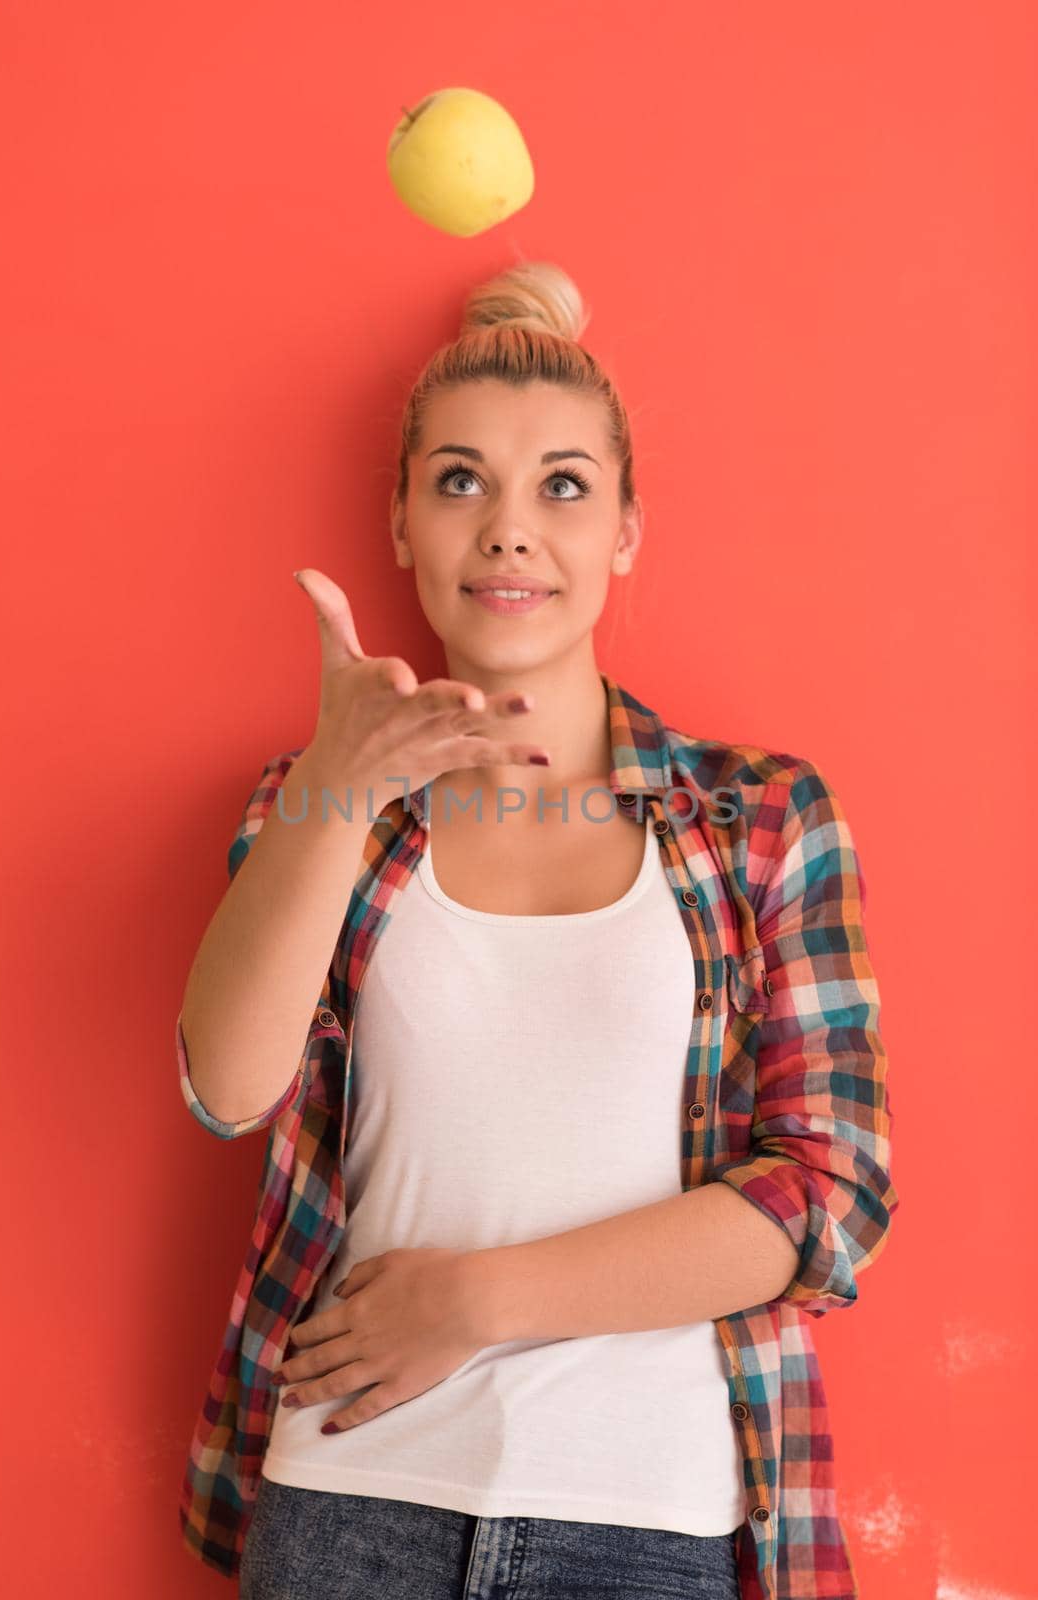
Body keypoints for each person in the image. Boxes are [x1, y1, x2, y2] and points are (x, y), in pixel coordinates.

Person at [175, 260, 898, 1600]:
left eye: (563, 486)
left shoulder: (760, 817)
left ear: (627, 527)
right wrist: (344, 782)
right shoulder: (321, 801)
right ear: (400, 522)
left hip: (654, 1519)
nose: (510, 531)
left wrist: (480, 1301)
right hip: (351, 1506)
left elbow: (828, 1198)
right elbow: (226, 1086)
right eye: (460, 481)